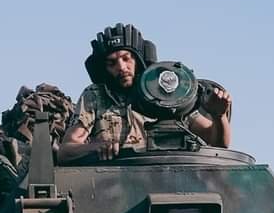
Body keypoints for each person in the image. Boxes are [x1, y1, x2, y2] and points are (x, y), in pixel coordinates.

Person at [58, 24, 232, 161]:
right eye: (112, 63)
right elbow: (66, 150)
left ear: (138, 60)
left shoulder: (164, 92)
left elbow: (218, 145)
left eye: (126, 58)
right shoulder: (95, 96)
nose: (121, 67)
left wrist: (219, 116)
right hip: (112, 180)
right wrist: (95, 147)